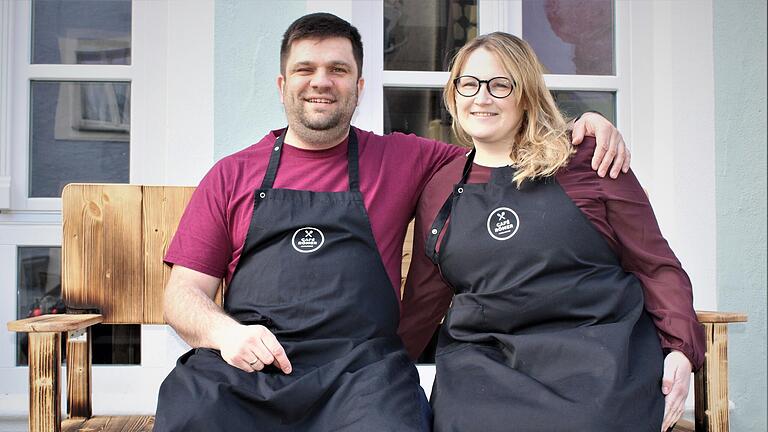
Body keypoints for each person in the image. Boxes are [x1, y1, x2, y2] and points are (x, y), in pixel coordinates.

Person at [153, 14, 629, 432]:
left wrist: (580, 128)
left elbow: (500, 144)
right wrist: (226, 334)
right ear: (283, 85)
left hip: (360, 376)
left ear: (359, 87)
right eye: (305, 69)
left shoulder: (407, 158)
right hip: (249, 367)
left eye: (338, 70)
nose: (321, 81)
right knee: (192, 413)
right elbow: (182, 296)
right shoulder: (232, 174)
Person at [398, 32, 705, 432]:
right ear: (453, 95)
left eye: (500, 85)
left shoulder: (590, 160)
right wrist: (380, 367)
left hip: (596, 357)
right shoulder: (440, 186)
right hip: (483, 366)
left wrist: (682, 349)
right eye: (469, 84)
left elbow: (656, 267)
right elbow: (424, 300)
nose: (482, 97)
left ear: (525, 94)